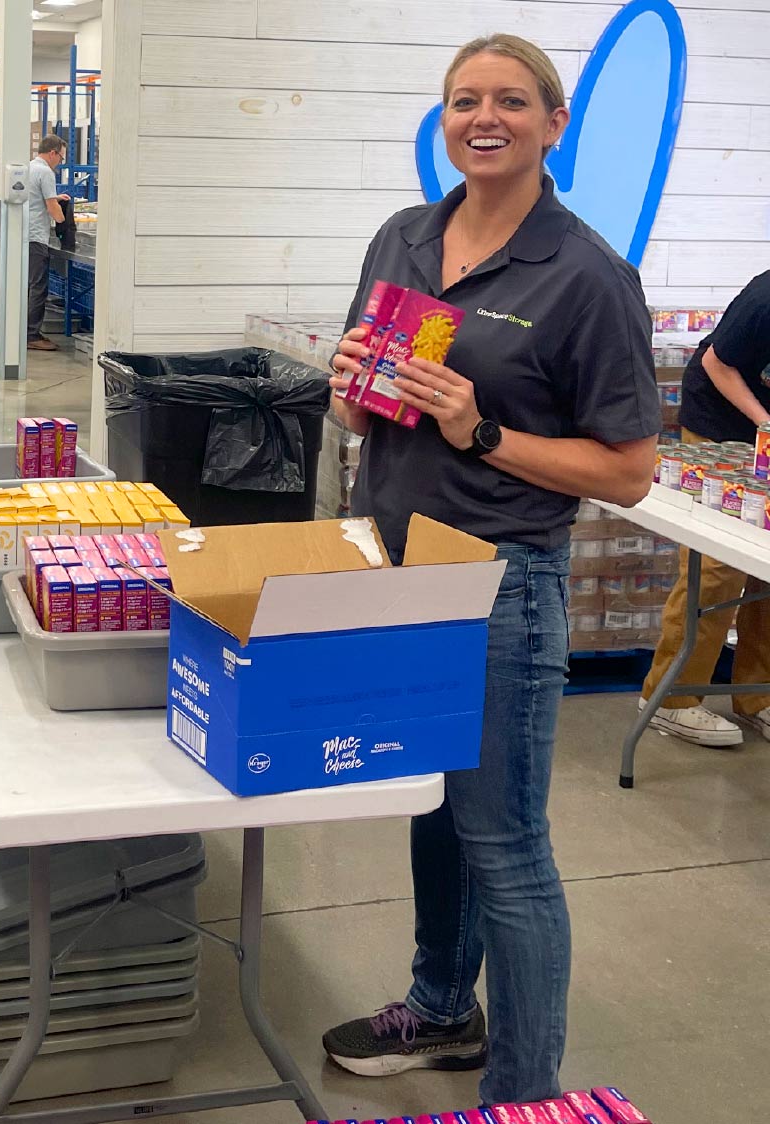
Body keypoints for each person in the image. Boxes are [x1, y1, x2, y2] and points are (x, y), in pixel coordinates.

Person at [319, 35, 659, 1102]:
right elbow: (359, 404)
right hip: (399, 562)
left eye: (511, 100)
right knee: (433, 804)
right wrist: (349, 388)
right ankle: (439, 1006)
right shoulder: (406, 235)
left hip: (503, 581)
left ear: (555, 124)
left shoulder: (588, 274)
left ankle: (522, 1089)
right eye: (465, 99)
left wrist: (480, 431)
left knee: (505, 840)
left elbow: (631, 470)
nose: (485, 116)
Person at [639, 275, 770, 746]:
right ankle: (670, 700)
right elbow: (716, 363)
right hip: (723, 426)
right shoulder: (765, 297)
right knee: (716, 569)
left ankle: (756, 696)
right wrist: (765, 423)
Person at [26, 134, 71, 351]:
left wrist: (55, 198)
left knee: (25, 286)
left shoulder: (29, 167)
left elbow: (37, 199)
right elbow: (53, 210)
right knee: (38, 287)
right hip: (35, 236)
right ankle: (31, 335)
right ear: (52, 153)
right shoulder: (45, 172)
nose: (59, 162)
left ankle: (21, 330)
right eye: (60, 158)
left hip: (23, 234)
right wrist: (65, 221)